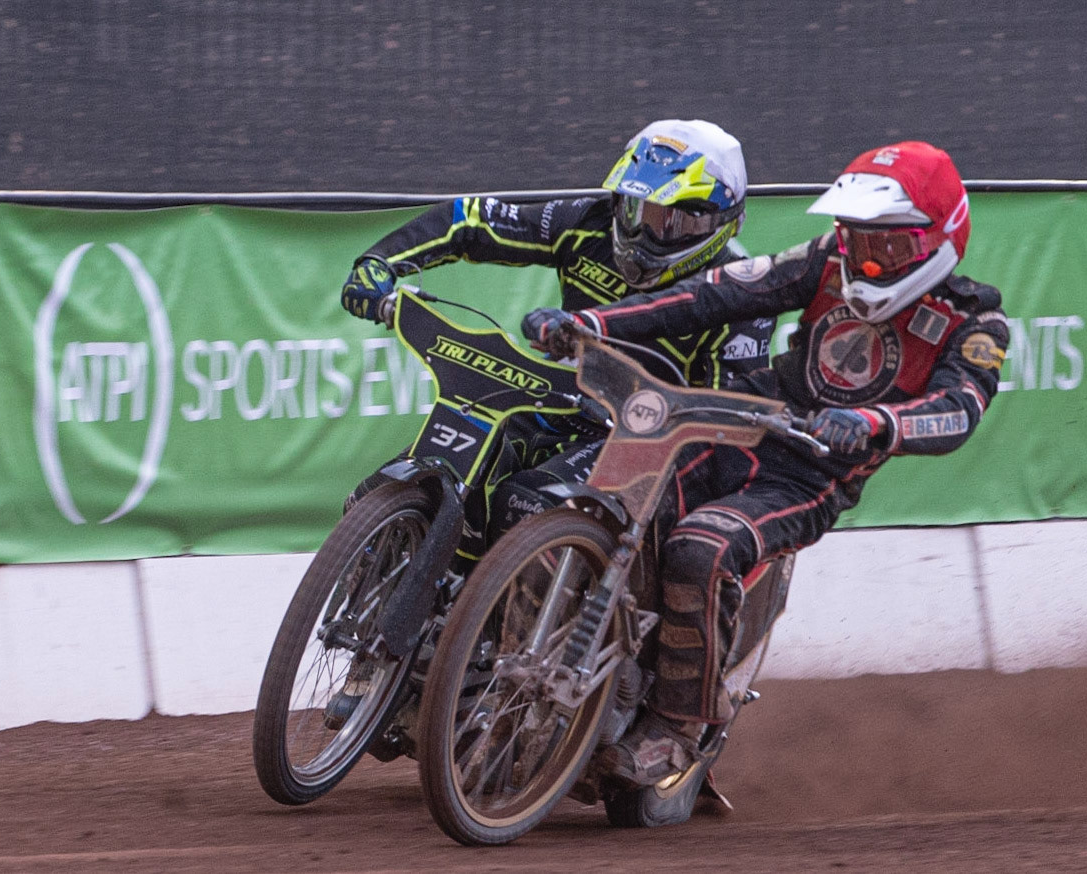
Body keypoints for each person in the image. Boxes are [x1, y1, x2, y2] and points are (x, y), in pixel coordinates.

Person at [524, 140, 1009, 787]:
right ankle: (504, 667)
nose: (867, 257)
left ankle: (676, 727)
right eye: (857, 238)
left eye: (887, 245)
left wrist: (873, 422)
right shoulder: (826, 260)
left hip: (810, 472)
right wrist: (591, 324)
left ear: (940, 238)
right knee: (590, 497)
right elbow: (712, 295)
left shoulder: (975, 320)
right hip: (739, 422)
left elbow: (959, 410)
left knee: (702, 546)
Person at [338, 119, 775, 532]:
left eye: (671, 222)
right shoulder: (590, 223)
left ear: (723, 222)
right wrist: (381, 262)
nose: (643, 235)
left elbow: (727, 429)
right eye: (636, 210)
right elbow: (471, 219)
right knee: (388, 488)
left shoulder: (740, 289)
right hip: (559, 399)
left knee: (524, 505)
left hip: (648, 441)